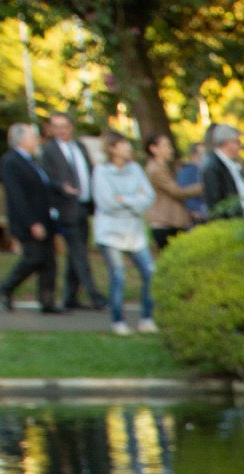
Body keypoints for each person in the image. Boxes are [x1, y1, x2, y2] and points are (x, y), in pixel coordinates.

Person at [93, 134, 157, 335]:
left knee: (150, 273)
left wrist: (125, 200)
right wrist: (134, 200)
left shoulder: (136, 170)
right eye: (124, 146)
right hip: (110, 234)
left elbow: (148, 196)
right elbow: (107, 203)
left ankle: (147, 318)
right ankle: (118, 321)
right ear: (112, 148)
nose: (129, 150)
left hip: (135, 233)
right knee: (118, 276)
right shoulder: (102, 172)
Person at [0, 123, 61, 313]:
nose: (37, 140)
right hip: (28, 221)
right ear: (21, 140)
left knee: (49, 261)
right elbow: (17, 196)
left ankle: (47, 300)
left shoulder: (32, 161)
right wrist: (32, 223)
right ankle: (6, 286)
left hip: (45, 218)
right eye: (33, 137)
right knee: (34, 257)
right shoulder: (11, 162)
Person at [41, 113, 103, 311]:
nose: (60, 130)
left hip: (84, 205)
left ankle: (70, 296)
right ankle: (94, 294)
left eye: (64, 126)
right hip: (66, 207)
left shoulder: (79, 147)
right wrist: (62, 187)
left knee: (76, 253)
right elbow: (47, 177)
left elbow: (89, 170)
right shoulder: (49, 150)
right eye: (56, 126)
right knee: (79, 252)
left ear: (71, 127)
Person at [201, 125, 244, 220]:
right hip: (230, 223)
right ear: (226, 143)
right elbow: (215, 202)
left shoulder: (233, 164)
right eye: (237, 142)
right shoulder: (213, 167)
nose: (240, 146)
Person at [144, 133, 195, 251]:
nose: (170, 150)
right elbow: (176, 192)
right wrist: (202, 187)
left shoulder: (163, 168)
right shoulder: (155, 169)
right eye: (165, 146)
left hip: (172, 221)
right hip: (165, 222)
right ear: (153, 149)